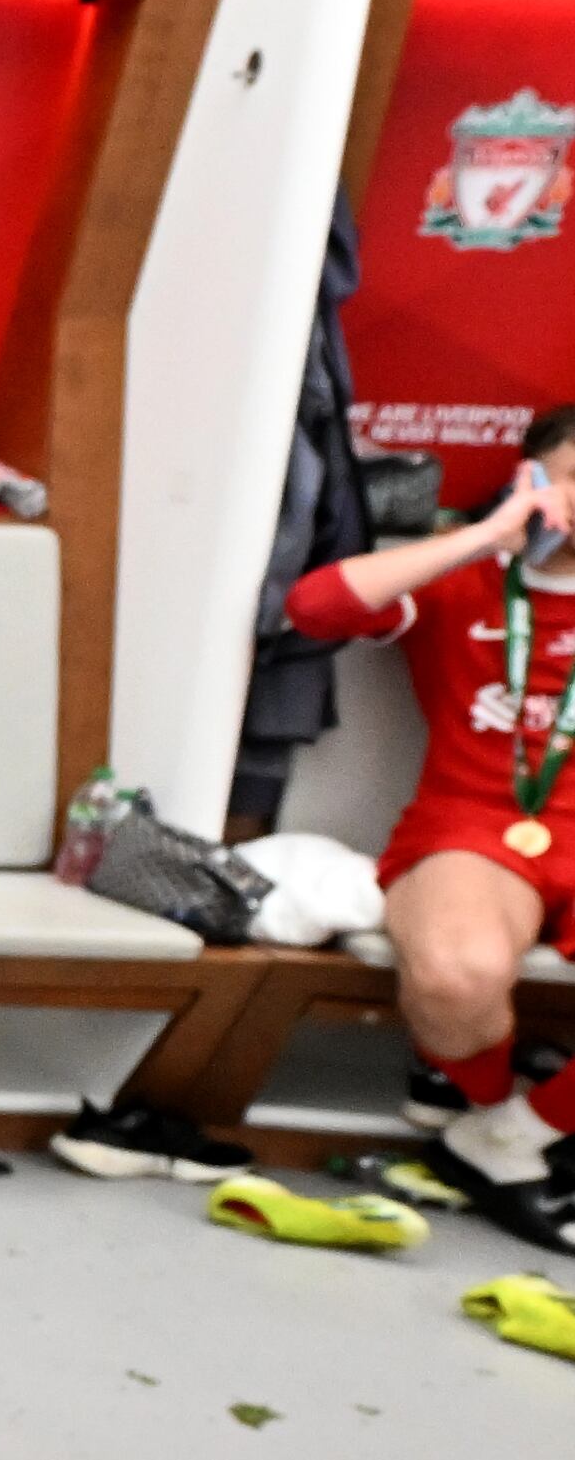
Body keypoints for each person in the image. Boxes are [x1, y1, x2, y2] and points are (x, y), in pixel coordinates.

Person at [278, 418, 575, 1241]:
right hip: (474, 826)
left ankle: (506, 1140)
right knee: (454, 973)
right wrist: (485, 536)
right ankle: (487, 1106)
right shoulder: (469, 579)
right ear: (530, 482)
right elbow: (314, 607)